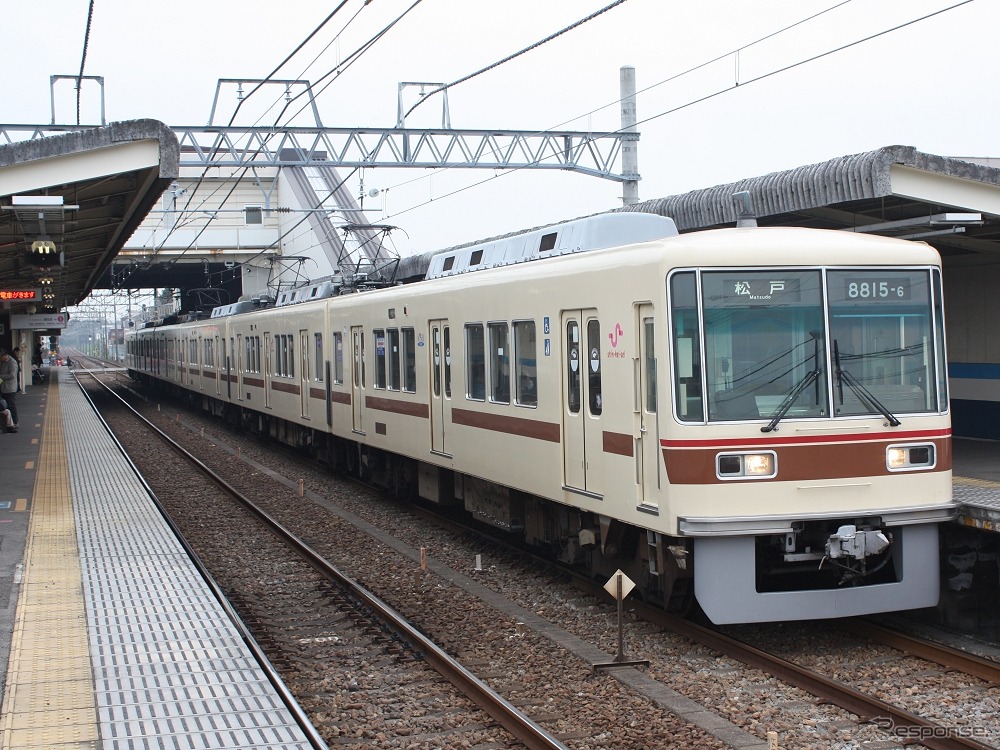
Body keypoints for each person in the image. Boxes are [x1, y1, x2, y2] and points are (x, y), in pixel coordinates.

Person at [0, 349, 19, 428]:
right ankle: (7, 423)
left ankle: (15, 422)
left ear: (5, 355)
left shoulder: (12, 362)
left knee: (11, 405)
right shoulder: (3, 362)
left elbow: (12, 375)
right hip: (3, 387)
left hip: (10, 388)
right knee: (4, 406)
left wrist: (0, 376)